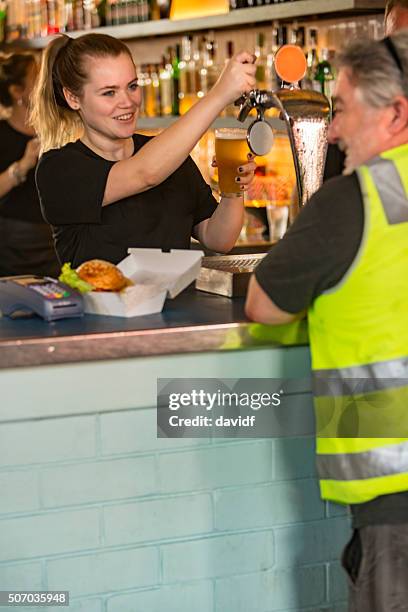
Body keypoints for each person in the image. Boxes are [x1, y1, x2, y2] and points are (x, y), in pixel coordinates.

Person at [246, 32, 408, 612]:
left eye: (341, 108)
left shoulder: (357, 198)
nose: (333, 129)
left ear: (395, 113)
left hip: (395, 493)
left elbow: (263, 305)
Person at [31, 34, 257, 268]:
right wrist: (219, 95)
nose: (127, 102)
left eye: (132, 86)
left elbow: (219, 239)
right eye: (109, 92)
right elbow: (144, 174)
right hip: (100, 305)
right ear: (73, 98)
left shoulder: (170, 157)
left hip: (177, 304)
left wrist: (233, 189)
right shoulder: (58, 169)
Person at [0, 53, 59, 277]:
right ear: (17, 91)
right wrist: (23, 165)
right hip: (14, 242)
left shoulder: (53, 131)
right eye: (37, 76)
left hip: (53, 237)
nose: (45, 81)